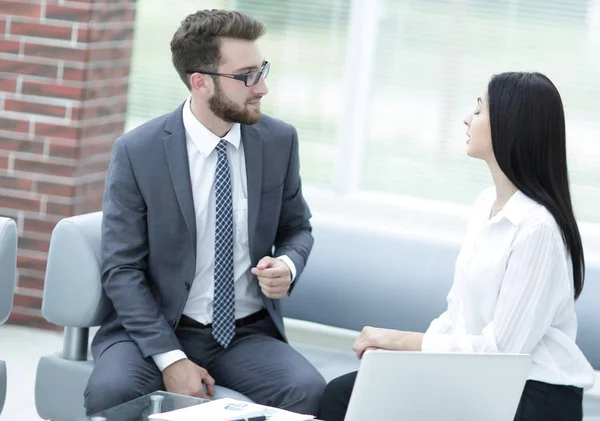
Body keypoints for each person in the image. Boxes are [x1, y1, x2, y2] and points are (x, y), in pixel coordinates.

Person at [84, 9, 325, 416]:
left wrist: (287, 263)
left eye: (262, 70)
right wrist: (171, 359)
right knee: (111, 393)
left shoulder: (279, 140)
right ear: (200, 82)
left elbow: (297, 228)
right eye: (247, 75)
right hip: (155, 329)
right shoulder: (137, 152)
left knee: (310, 394)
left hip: (246, 333)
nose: (262, 87)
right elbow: (121, 269)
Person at [318, 72, 595, 421]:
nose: (467, 118)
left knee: (354, 399)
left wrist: (401, 340)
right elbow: (458, 316)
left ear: (510, 126)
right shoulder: (486, 204)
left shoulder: (537, 227)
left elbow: (502, 353)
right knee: (345, 393)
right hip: (477, 378)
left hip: (531, 393)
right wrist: (403, 354)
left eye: (479, 110)